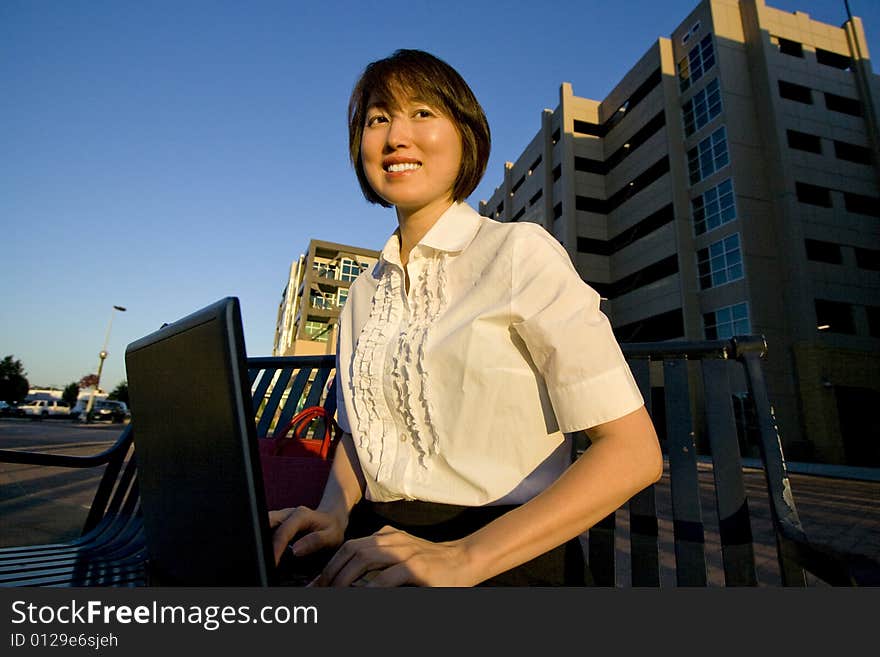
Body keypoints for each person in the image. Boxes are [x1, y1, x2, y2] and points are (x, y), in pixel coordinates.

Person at [269, 48, 663, 587]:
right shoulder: (362, 293)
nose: (395, 136)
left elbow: (634, 453)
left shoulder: (519, 253)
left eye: (423, 113)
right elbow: (360, 437)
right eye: (377, 118)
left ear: (466, 136)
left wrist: (463, 557)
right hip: (371, 542)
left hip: (501, 555)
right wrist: (333, 511)